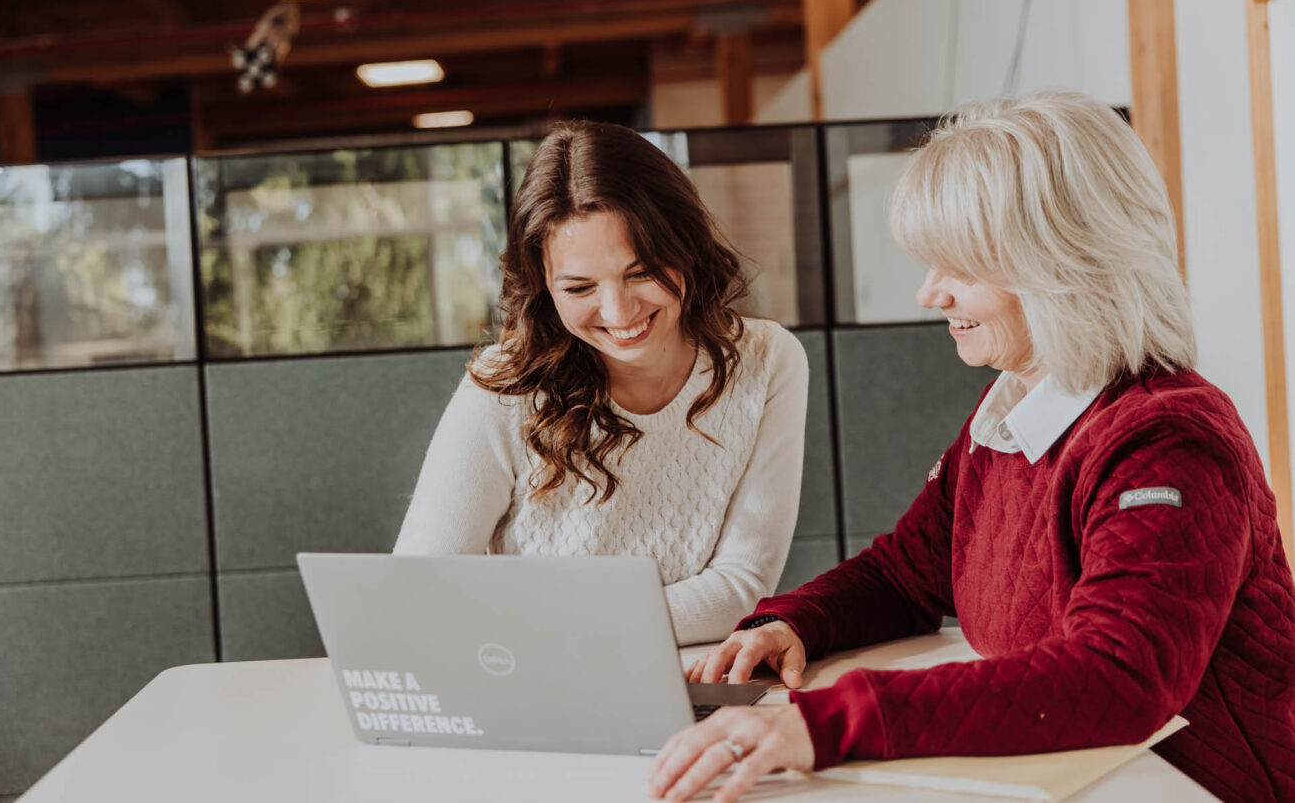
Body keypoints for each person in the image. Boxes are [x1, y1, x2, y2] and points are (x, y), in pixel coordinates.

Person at [649, 91, 1295, 803]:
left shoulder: (1167, 441)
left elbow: (1119, 676)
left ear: (1062, 266)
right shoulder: (1014, 411)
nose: (930, 294)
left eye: (959, 269)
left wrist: (825, 724)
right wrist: (794, 621)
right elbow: (905, 574)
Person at [394, 119, 810, 645]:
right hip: (537, 680)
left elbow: (740, 588)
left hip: (692, 681)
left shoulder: (767, 360)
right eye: (580, 286)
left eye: (641, 273)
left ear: (685, 246)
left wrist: (543, 626)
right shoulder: (506, 386)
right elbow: (418, 587)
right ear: (544, 286)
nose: (618, 311)